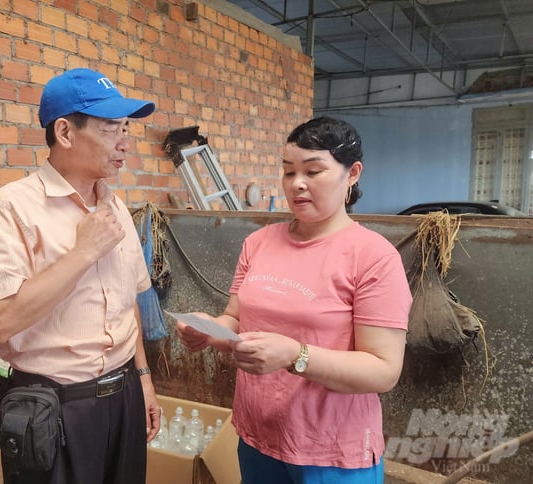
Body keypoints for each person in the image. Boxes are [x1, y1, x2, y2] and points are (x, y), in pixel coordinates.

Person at [176, 116, 412, 483]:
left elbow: (383, 370)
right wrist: (207, 331)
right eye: (289, 172)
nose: (297, 184)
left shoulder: (372, 257)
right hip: (257, 438)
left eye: (313, 171)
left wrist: (294, 355)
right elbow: (235, 321)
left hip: (331, 453)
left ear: (352, 174)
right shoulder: (259, 243)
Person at [0, 68, 160, 484]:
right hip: (53, 406)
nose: (125, 143)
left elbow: (129, 305)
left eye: (126, 128)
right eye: (111, 129)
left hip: (124, 392)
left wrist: (143, 379)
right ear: (65, 132)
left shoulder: (117, 209)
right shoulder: (9, 210)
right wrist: (83, 253)